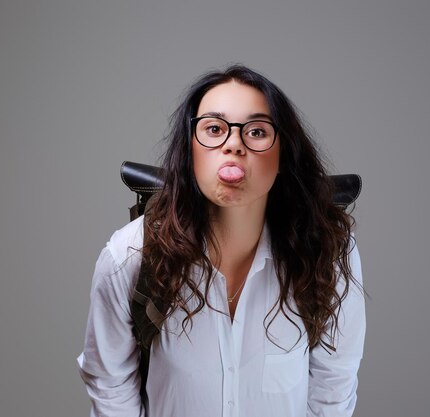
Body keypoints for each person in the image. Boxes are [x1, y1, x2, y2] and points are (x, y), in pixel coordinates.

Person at [77, 65, 365, 417]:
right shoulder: (129, 256)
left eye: (256, 131)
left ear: (282, 154)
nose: (233, 144)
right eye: (214, 129)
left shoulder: (329, 253)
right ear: (190, 150)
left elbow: (332, 392)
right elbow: (110, 392)